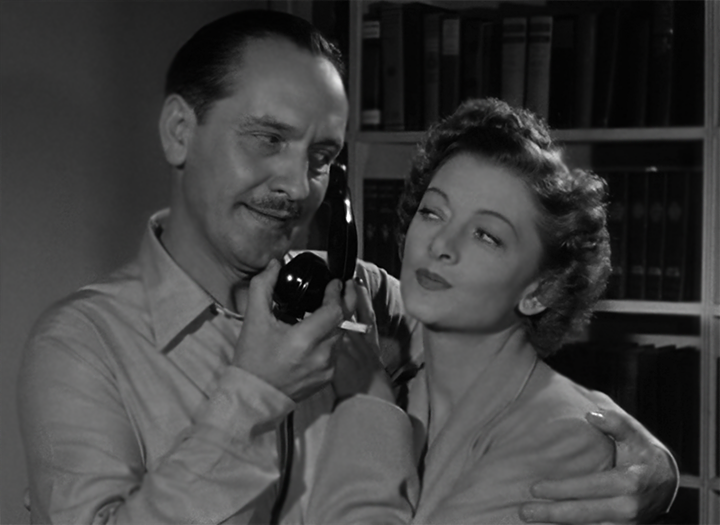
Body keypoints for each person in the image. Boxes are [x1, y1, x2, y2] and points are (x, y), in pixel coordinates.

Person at [16, 10, 676, 525]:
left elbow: (494, 355)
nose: (295, 186)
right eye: (268, 139)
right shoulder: (81, 346)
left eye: (321, 157)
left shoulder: (353, 294)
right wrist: (255, 392)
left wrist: (649, 463)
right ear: (179, 132)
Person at [306, 98, 679, 525]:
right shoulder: (397, 373)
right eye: (432, 212)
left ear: (539, 290)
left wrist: (366, 402)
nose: (441, 244)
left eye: (486, 235)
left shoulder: (563, 440)